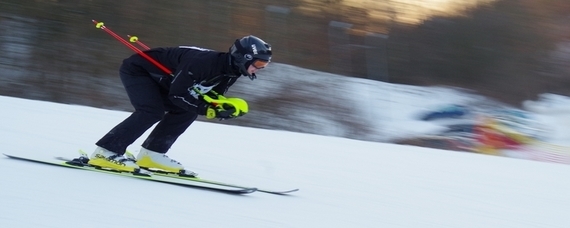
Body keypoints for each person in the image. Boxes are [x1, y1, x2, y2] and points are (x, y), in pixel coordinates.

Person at [88, 35, 272, 176]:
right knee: (151, 112)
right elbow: (177, 95)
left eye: (264, 64)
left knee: (187, 110)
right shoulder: (203, 63)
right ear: (243, 57)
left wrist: (223, 108)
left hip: (165, 80)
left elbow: (210, 96)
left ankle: (151, 153)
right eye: (259, 63)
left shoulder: (232, 71)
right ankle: (106, 151)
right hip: (140, 71)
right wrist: (206, 109)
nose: (260, 68)